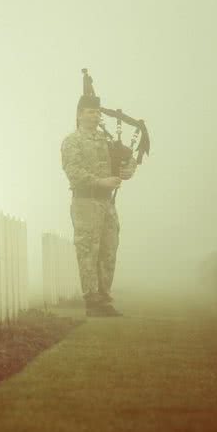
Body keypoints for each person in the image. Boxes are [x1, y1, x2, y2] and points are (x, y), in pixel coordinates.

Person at [60, 69, 136, 317]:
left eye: (96, 112)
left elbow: (126, 159)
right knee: (88, 251)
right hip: (85, 202)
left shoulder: (106, 140)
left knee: (108, 250)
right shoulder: (72, 141)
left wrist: (128, 170)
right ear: (80, 115)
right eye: (89, 111)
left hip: (106, 205)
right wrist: (101, 181)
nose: (94, 115)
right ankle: (92, 300)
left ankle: (104, 296)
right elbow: (74, 172)